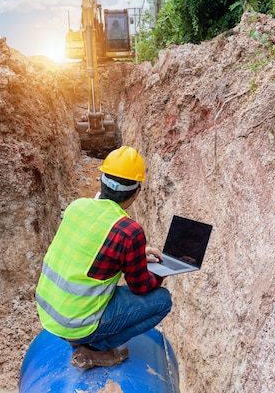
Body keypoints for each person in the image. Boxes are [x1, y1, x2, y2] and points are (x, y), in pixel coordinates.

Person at [35, 146, 172, 369]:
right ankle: (97, 349)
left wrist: (136, 254)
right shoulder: (129, 230)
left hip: (49, 315)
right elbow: (141, 287)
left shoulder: (77, 207)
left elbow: (89, 249)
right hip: (78, 324)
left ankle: (80, 337)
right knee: (162, 301)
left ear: (102, 181)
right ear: (136, 192)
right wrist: (162, 273)